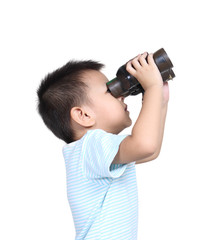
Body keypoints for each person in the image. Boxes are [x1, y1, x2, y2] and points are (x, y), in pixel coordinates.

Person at [37, 52, 169, 239]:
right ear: (84, 115)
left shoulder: (92, 152)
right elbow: (145, 145)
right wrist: (153, 87)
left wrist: (159, 101)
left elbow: (151, 151)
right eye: (110, 91)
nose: (121, 96)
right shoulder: (91, 145)